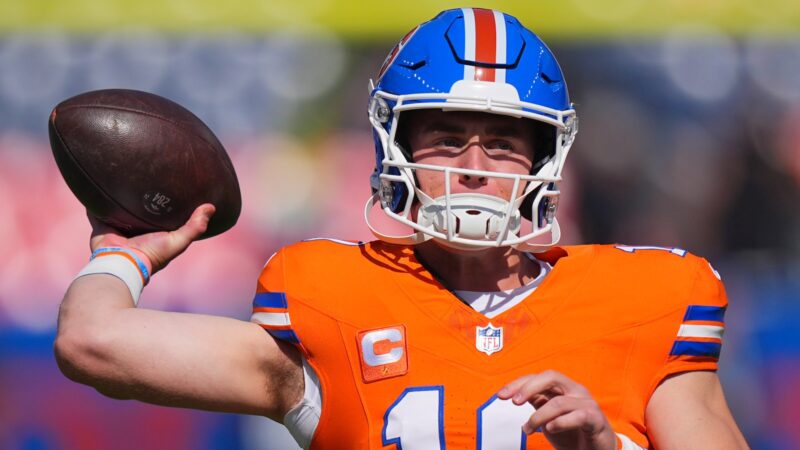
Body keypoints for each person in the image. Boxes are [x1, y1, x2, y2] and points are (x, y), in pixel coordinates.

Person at [54, 8, 749, 450]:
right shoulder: (330, 295)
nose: (476, 168)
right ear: (398, 149)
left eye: (505, 144)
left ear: (548, 158)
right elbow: (93, 342)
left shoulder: (647, 298)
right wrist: (122, 252)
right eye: (447, 138)